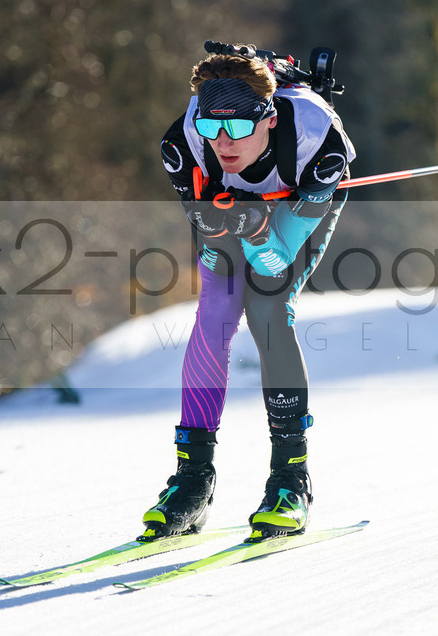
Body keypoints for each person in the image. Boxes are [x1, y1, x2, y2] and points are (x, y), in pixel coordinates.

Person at [141, 43, 355, 542]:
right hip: (234, 207)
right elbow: (209, 230)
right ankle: (192, 480)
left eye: (239, 127)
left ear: (269, 119)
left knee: (267, 307)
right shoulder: (185, 143)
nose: (224, 142)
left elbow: (275, 261)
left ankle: (291, 481)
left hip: (298, 200)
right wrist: (225, 222)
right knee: (215, 310)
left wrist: (257, 231)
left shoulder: (318, 143)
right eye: (213, 126)